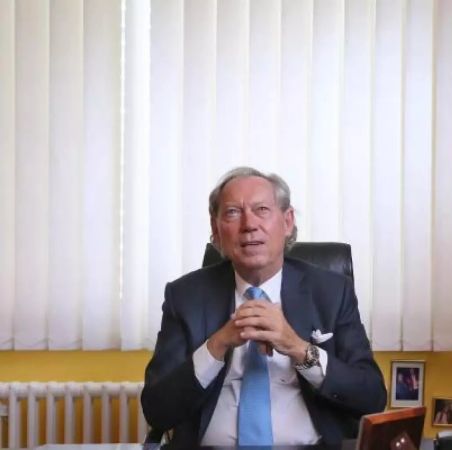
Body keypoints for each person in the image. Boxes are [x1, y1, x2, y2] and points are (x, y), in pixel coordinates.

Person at [141, 167, 386, 447]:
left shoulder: (330, 291)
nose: (249, 224)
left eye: (262, 209)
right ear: (216, 230)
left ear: (287, 221)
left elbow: (371, 397)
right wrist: (216, 346)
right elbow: (157, 410)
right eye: (233, 212)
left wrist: (298, 347)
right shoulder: (185, 296)